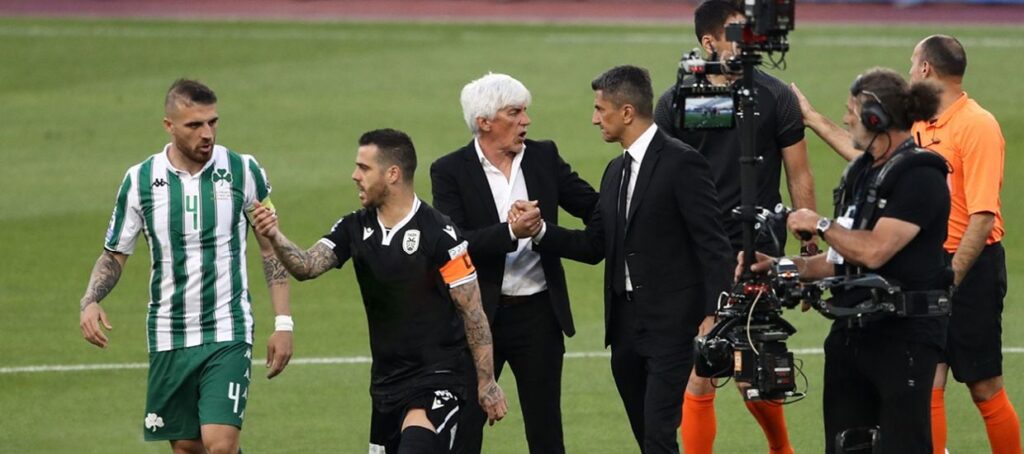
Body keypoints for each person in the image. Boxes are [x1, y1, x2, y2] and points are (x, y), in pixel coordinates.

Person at [794, 35, 1020, 454]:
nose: (909, 68)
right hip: (924, 264)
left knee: (984, 384)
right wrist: (813, 119)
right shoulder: (916, 124)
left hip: (969, 266)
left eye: (912, 61)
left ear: (926, 69)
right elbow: (871, 158)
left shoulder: (978, 125)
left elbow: (983, 215)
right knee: (928, 379)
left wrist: (951, 278)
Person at [249, 128, 508, 453]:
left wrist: (486, 383)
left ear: (392, 174)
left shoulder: (440, 234)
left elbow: (472, 312)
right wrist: (274, 235)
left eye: (364, 168)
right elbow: (307, 266)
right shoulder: (354, 227)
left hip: (438, 379)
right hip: (386, 386)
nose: (354, 176)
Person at [523, 65, 733, 453]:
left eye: (600, 109)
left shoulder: (681, 162)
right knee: (646, 436)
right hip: (624, 330)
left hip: (672, 327)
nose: (594, 119)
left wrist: (714, 314)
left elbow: (714, 244)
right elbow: (594, 246)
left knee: (658, 435)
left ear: (626, 112)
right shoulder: (615, 171)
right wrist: (539, 232)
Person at [77, 79, 294, 454]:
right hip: (169, 333)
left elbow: (271, 250)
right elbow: (114, 254)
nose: (206, 133)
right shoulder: (140, 180)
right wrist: (90, 300)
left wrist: (283, 323)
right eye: (194, 125)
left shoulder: (244, 170)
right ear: (169, 126)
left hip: (228, 328)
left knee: (220, 443)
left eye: (212, 122)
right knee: (188, 448)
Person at [751, 67, 948, 453]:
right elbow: (840, 258)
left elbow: (874, 250)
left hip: (902, 337)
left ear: (876, 119)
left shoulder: (921, 176)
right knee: (845, 446)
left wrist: (820, 223)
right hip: (851, 333)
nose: (845, 119)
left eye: (851, 111)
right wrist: (780, 267)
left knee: (903, 446)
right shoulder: (862, 172)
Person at [651, 2, 817, 451]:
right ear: (709, 42)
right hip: (695, 251)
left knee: (752, 365)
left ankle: (781, 448)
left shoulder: (776, 96)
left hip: (756, 249)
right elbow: (659, 182)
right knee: (703, 362)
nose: (750, 42)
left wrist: (807, 251)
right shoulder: (674, 103)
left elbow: (799, 173)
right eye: (737, 33)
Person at [430, 73, 599, 454]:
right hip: (477, 318)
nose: (526, 120)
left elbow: (595, 207)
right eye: (515, 112)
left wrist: (545, 233)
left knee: (546, 434)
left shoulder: (544, 157)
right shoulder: (450, 170)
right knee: (464, 431)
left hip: (538, 316)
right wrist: (511, 232)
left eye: (525, 111)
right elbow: (454, 244)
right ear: (484, 122)